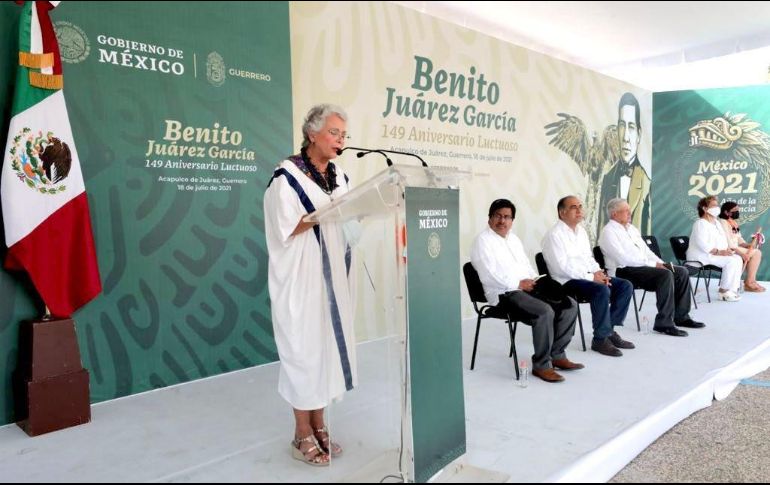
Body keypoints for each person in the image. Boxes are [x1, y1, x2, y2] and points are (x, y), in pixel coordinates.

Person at [264, 104, 355, 466]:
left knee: (324, 350)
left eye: (344, 135)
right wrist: (322, 216)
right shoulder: (286, 176)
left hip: (332, 276)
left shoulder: (340, 175)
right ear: (312, 133)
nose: (341, 140)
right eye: (334, 132)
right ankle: (301, 431)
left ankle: (319, 423)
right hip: (300, 277)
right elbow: (282, 225)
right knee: (302, 350)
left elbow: (349, 212)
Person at [470, 199, 582, 383]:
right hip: (504, 293)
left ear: (512, 220)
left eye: (507, 217)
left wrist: (535, 280)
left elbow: (526, 266)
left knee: (570, 304)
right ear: (489, 218)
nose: (502, 220)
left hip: (526, 287)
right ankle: (541, 365)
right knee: (544, 311)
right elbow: (488, 275)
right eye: (498, 216)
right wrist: (518, 283)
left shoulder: (513, 239)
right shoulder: (482, 242)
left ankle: (558, 355)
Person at [542, 196, 635, 357]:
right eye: (573, 207)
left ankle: (608, 330)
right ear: (562, 212)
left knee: (625, 286)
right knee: (601, 290)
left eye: (580, 206)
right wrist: (592, 277)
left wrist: (599, 272)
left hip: (586, 277)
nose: (579, 210)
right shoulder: (554, 235)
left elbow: (588, 258)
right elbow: (562, 267)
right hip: (566, 282)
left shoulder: (581, 232)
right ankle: (600, 340)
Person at [599, 198, 701, 336]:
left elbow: (647, 252)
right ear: (614, 214)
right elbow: (623, 259)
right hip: (623, 270)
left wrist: (662, 264)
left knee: (681, 271)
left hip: (642, 267)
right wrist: (655, 265)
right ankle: (664, 323)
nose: (630, 213)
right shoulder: (608, 232)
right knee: (665, 275)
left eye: (629, 210)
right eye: (626, 211)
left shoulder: (631, 229)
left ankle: (681, 316)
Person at [597, 92, 651, 236]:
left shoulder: (646, 183)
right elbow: (600, 230)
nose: (626, 137)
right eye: (622, 126)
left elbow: (647, 236)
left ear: (639, 134)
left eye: (631, 127)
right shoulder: (608, 178)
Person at [687, 196, 743, 302]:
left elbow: (722, 240)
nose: (717, 208)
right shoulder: (700, 223)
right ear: (704, 208)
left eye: (717, 205)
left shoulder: (716, 222)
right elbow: (702, 244)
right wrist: (719, 252)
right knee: (731, 261)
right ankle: (723, 291)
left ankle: (732, 289)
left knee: (737, 258)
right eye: (713, 205)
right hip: (701, 256)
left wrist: (727, 250)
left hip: (715, 254)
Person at [719, 201, 765, 292]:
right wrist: (742, 253)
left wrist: (749, 245)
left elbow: (739, 240)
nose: (737, 212)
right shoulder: (722, 222)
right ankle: (749, 282)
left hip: (736, 248)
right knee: (757, 253)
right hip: (727, 249)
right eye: (734, 210)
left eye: (738, 210)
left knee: (755, 251)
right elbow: (729, 243)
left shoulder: (733, 223)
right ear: (726, 212)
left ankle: (750, 281)